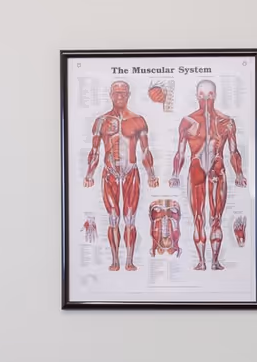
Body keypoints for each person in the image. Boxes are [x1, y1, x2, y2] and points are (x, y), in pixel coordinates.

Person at [169, 79, 248, 271]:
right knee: (198, 217)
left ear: (215, 95)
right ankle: (201, 261)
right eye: (202, 94)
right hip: (196, 168)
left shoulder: (226, 122)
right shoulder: (187, 122)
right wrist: (175, 174)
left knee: (216, 218)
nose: (206, 98)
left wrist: (239, 173)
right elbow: (180, 152)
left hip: (217, 169)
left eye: (210, 94)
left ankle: (214, 261)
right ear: (197, 96)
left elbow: (234, 151)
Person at [82, 80, 158, 272]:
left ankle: (129, 261)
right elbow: (94, 151)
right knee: (114, 217)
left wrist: (151, 174)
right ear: (110, 94)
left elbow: (146, 150)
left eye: (123, 93)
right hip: (110, 174)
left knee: (130, 217)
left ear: (129, 94)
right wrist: (89, 174)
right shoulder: (101, 121)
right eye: (116, 93)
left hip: (131, 172)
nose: (119, 96)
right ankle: (115, 260)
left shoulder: (138, 120)